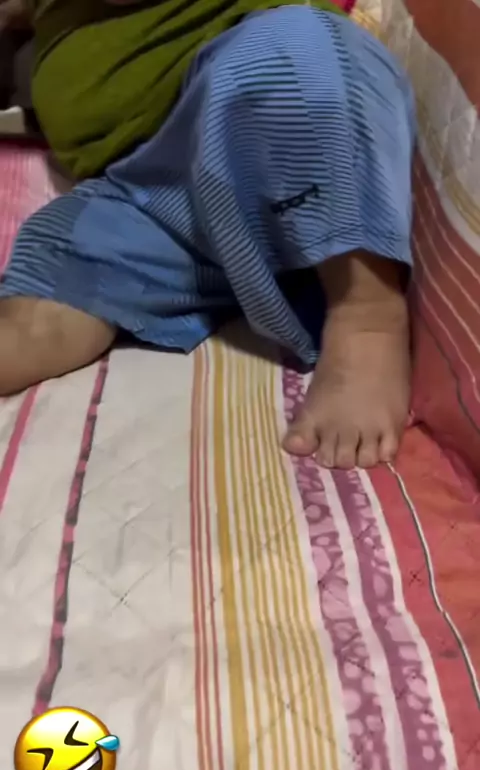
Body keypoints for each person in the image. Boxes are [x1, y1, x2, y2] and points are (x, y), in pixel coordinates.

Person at [0, 0, 416, 469]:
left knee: (290, 61)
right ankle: (28, 330)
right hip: (149, 193)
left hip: (264, 132)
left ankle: (366, 316)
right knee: (62, 248)